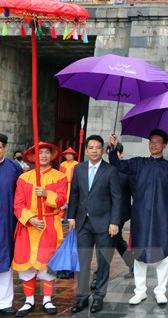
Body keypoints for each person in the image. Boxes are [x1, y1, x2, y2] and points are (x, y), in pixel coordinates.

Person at [108, 129, 168, 306]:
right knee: (139, 252)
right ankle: (140, 291)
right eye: (151, 141)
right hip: (140, 215)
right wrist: (113, 147)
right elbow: (117, 164)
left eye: (157, 142)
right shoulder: (138, 163)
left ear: (164, 145)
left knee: (162, 253)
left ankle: (160, 291)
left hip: (161, 215)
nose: (153, 145)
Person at [67, 135, 121, 314]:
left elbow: (117, 198)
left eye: (98, 147)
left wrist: (115, 222)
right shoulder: (79, 169)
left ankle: (99, 296)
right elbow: (74, 193)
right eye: (91, 148)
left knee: (103, 261)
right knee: (83, 260)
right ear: (86, 150)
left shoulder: (111, 170)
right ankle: (82, 296)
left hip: (105, 223)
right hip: (83, 222)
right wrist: (71, 216)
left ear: (102, 149)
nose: (94, 151)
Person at [12, 142, 67, 317]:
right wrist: (31, 219)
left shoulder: (59, 177)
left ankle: (47, 299)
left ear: (51, 155)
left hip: (49, 226)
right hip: (28, 226)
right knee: (27, 264)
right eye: (39, 152)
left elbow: (62, 199)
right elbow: (18, 204)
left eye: (46, 152)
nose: (43, 155)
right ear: (33, 156)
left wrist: (46, 194)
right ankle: (29, 300)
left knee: (47, 263)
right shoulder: (24, 178)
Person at [91, 143, 134, 290]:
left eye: (114, 153)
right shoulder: (102, 170)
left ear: (121, 154)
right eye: (109, 152)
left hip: (119, 215)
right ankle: (133, 263)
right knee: (115, 241)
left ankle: (99, 275)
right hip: (102, 214)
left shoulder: (126, 172)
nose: (111, 155)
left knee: (106, 244)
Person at [0, 133, 22, 315]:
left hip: (6, 221)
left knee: (4, 260)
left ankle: (4, 302)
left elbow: (23, 192)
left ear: (5, 148)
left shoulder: (14, 168)